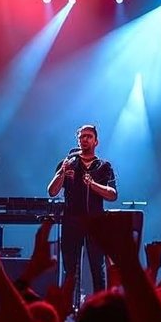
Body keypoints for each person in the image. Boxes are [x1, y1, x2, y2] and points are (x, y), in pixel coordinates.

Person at [47, 123, 118, 295]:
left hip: (96, 222)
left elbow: (112, 194)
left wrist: (93, 185)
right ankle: (68, 306)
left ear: (96, 141)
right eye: (81, 137)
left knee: (97, 268)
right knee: (70, 270)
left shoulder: (104, 166)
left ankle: (101, 304)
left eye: (88, 136)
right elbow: (52, 191)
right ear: (78, 141)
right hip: (71, 221)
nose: (84, 139)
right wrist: (62, 172)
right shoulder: (68, 163)